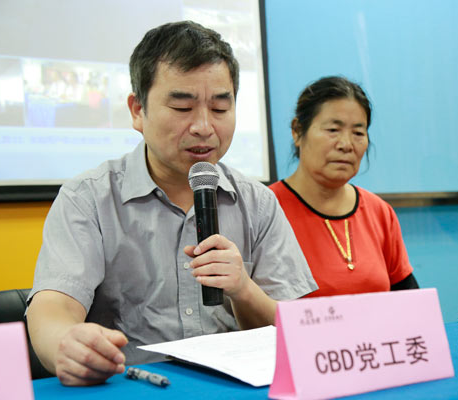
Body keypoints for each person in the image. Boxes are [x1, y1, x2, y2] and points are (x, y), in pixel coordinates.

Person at [26, 21, 317, 386]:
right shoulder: (88, 199)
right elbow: (53, 308)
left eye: (220, 108)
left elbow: (297, 330)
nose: (203, 126)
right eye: (182, 107)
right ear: (137, 110)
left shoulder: (257, 202)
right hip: (134, 387)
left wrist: (244, 290)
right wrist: (65, 345)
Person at [269, 76, 418, 298]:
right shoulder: (265, 209)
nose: (346, 145)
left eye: (358, 133)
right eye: (333, 130)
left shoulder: (379, 212)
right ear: (297, 131)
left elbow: (410, 300)